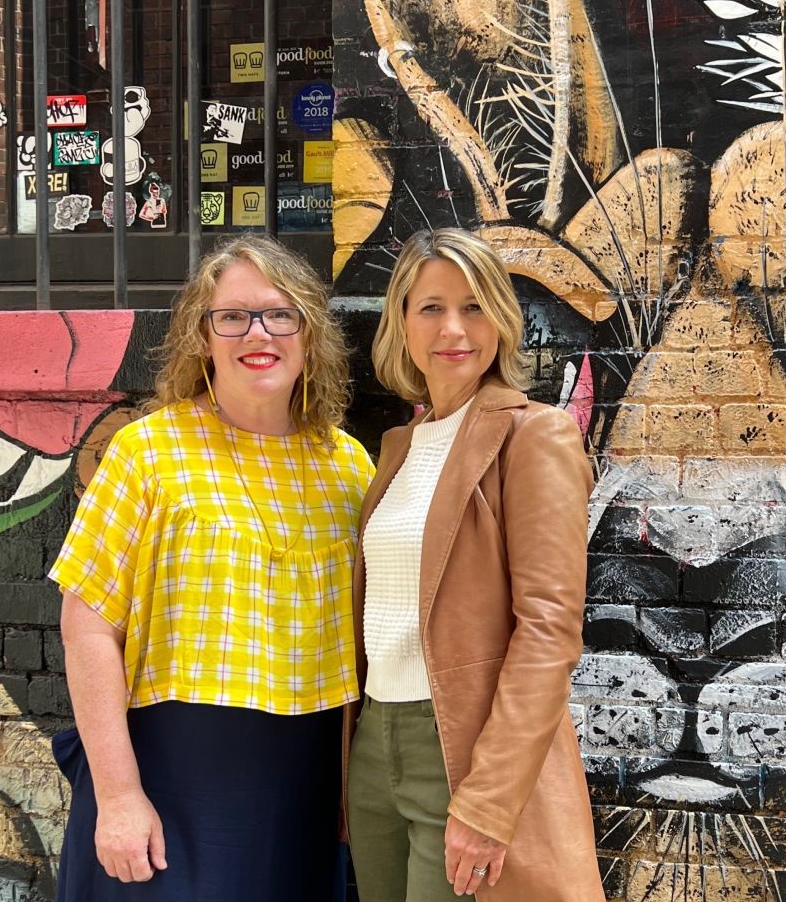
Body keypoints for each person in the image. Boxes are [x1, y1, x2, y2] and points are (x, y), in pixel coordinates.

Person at [49, 234, 374, 902]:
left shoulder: (348, 466)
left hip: (305, 779)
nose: (258, 332)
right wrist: (118, 794)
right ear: (202, 336)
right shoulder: (148, 452)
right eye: (232, 315)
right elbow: (87, 626)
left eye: (281, 313)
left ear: (310, 334)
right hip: (170, 773)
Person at [346, 227, 605, 901]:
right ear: (402, 322)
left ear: (500, 319)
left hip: (462, 748)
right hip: (375, 743)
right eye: (430, 307)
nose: (453, 328)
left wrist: (488, 802)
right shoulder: (398, 448)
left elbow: (549, 630)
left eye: (474, 305)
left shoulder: (534, 434)